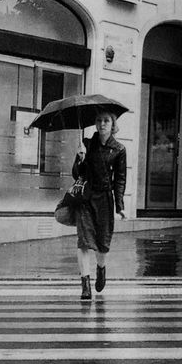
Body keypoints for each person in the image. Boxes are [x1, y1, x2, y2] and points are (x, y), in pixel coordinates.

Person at [72, 110, 127, 299]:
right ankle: (85, 285)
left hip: (104, 199)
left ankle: (101, 269)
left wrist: (120, 206)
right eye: (99, 120)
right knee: (84, 241)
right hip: (86, 198)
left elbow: (120, 179)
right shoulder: (87, 144)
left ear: (112, 125)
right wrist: (80, 158)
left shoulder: (119, 149)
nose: (102, 124)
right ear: (95, 124)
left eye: (106, 121)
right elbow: (76, 174)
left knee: (103, 243)